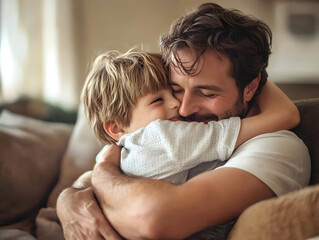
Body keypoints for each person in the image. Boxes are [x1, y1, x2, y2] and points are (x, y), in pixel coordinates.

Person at [57, 3, 311, 240]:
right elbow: (91, 183)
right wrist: (67, 200)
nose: (184, 107)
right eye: (175, 88)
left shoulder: (277, 147)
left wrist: (102, 170)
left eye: (207, 93)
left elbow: (154, 218)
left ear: (251, 86)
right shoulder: (161, 132)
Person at [83, 49, 296, 186]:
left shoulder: (113, 153)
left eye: (172, 91)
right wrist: (253, 76)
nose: (178, 105)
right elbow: (285, 115)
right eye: (157, 100)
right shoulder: (166, 137)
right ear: (116, 128)